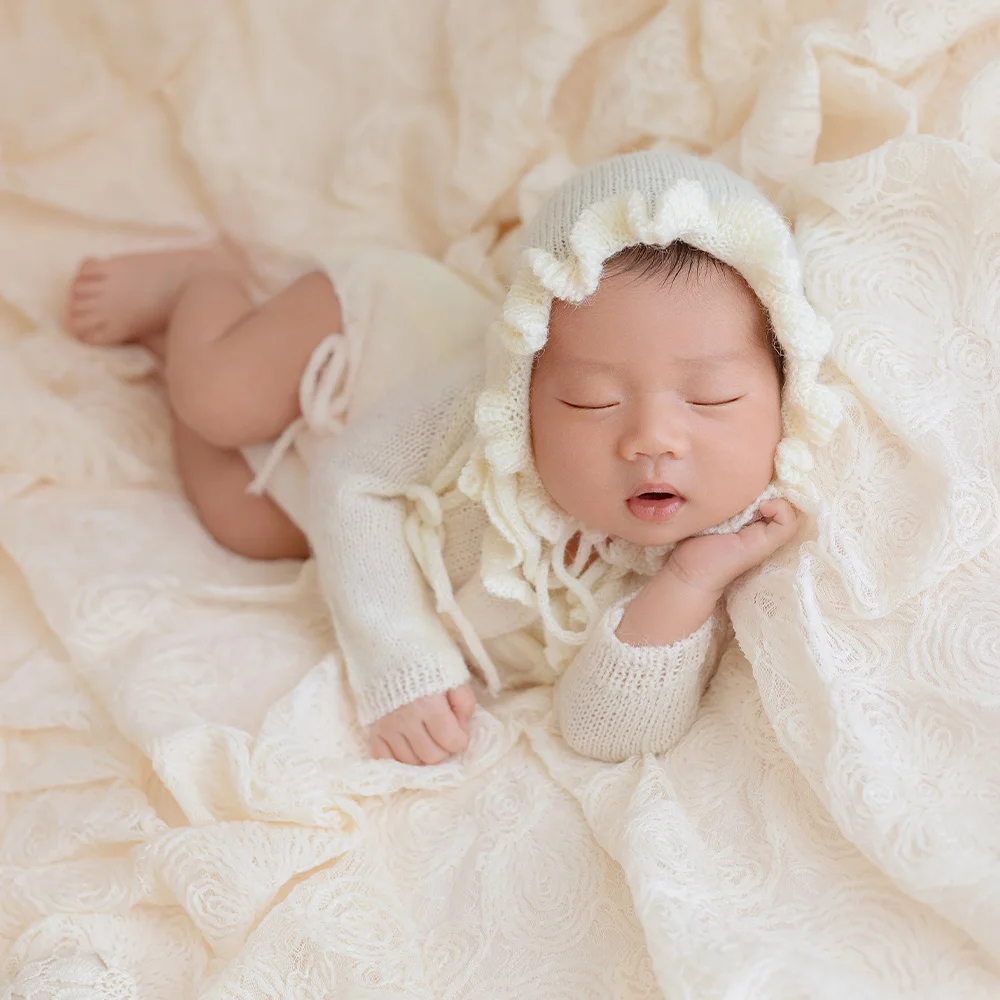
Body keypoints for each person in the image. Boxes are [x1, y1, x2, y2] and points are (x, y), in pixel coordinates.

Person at [65, 151, 841, 764]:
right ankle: (206, 282)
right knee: (219, 399)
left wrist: (688, 581)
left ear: (782, 389)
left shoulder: (727, 539)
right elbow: (355, 480)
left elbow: (610, 732)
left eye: (709, 400)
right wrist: (400, 660)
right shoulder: (475, 407)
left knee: (238, 520)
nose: (651, 439)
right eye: (590, 401)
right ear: (525, 384)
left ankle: (176, 350)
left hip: (378, 511)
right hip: (357, 347)